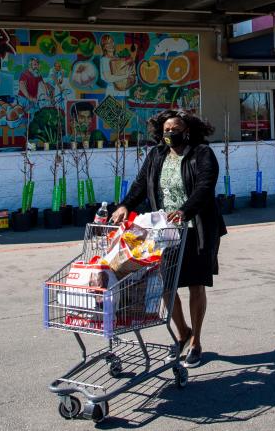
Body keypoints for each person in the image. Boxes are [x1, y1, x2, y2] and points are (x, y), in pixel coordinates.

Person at [110, 110, 227, 369]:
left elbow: (205, 188)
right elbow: (141, 185)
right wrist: (124, 206)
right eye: (165, 131)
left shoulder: (201, 154)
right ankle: (183, 333)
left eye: (175, 129)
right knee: (166, 285)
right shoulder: (156, 155)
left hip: (196, 228)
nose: (170, 134)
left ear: (188, 130)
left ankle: (196, 341)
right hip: (165, 232)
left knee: (196, 284)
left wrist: (185, 210)